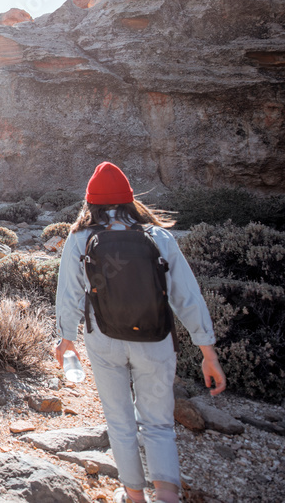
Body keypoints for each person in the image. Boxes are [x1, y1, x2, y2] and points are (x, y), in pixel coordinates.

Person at [55, 162, 227, 503]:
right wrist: (209, 353)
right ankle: (166, 495)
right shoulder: (159, 236)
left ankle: (134, 496)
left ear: (91, 202)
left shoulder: (79, 238)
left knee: (120, 422)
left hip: (104, 340)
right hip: (156, 339)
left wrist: (66, 340)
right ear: (130, 200)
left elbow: (69, 293)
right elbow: (187, 297)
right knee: (159, 423)